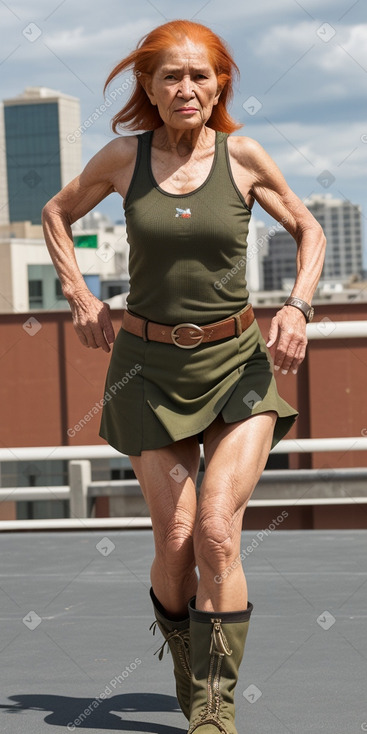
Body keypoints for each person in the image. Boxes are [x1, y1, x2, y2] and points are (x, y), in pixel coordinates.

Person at [42, 19, 326, 734]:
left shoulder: (245, 154)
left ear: (221, 81)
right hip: (145, 368)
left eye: (200, 74)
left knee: (217, 533)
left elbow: (308, 229)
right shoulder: (121, 158)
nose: (186, 87)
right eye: (170, 76)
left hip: (236, 365)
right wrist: (79, 296)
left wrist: (296, 305)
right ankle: (186, 661)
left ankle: (213, 706)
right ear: (147, 85)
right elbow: (56, 210)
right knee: (174, 539)